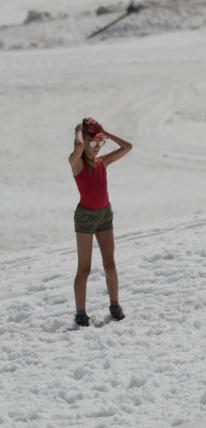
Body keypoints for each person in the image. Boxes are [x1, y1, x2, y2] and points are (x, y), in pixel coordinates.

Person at [68, 118, 133, 326]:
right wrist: (79, 132)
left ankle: (115, 305)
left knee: (110, 264)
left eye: (99, 144)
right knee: (84, 269)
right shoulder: (76, 163)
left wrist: (106, 133)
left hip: (105, 215)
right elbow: (78, 146)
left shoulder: (102, 162)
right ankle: (80, 313)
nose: (96, 148)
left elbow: (127, 147)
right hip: (85, 218)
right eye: (92, 143)